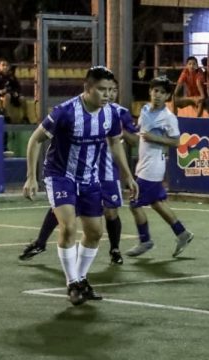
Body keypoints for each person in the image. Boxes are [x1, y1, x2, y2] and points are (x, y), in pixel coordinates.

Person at [22, 66, 138, 306]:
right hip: (60, 176)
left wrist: (127, 175)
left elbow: (115, 143)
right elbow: (35, 139)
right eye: (102, 90)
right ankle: (72, 283)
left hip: (89, 178)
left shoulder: (111, 114)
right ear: (87, 88)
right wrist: (31, 177)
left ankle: (82, 279)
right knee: (68, 227)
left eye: (111, 90)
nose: (107, 95)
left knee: (95, 232)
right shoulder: (65, 112)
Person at [125, 76, 194, 258]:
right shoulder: (144, 110)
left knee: (134, 204)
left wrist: (155, 138)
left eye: (162, 93)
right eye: (155, 91)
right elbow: (139, 135)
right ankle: (182, 233)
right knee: (156, 203)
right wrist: (124, 132)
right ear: (150, 91)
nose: (158, 95)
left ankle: (145, 240)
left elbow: (177, 142)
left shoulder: (168, 118)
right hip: (144, 164)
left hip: (153, 167)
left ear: (167, 96)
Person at [0, 58, 25, 122]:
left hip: (12, 93)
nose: (5, 67)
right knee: (7, 96)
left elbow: (18, 87)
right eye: (3, 65)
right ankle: (6, 116)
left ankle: (24, 117)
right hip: (0, 95)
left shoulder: (12, 76)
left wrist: (16, 92)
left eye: (7, 65)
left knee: (22, 98)